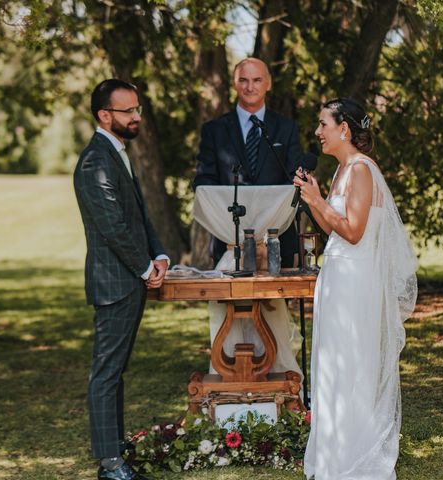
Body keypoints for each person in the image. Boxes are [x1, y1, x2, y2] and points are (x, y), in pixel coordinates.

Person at [294, 98, 418, 479]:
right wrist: (315, 198)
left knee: (351, 365)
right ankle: (334, 453)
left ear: (343, 129)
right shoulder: (342, 171)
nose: (318, 132)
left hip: (354, 282)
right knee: (333, 365)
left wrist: (317, 201)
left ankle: (354, 457)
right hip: (338, 278)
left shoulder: (362, 171)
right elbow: (333, 228)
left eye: (323, 124)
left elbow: (354, 231)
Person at [74, 79, 169, 480]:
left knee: (115, 371)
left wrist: (160, 254)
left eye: (137, 109)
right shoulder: (96, 161)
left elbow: (138, 215)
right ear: (104, 115)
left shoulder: (117, 153)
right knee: (106, 372)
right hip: (115, 284)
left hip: (128, 279)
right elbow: (113, 227)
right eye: (128, 111)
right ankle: (110, 465)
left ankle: (115, 450)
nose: (136, 117)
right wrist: (146, 269)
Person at [192, 57, 304, 378]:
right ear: (234, 84)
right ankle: (229, 387)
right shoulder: (214, 131)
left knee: (274, 320)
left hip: (275, 246)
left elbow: (295, 179)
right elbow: (203, 182)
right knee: (229, 322)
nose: (250, 87)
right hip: (229, 247)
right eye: (243, 80)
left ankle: (279, 390)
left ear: (268, 83)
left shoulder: (286, 128)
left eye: (257, 80)